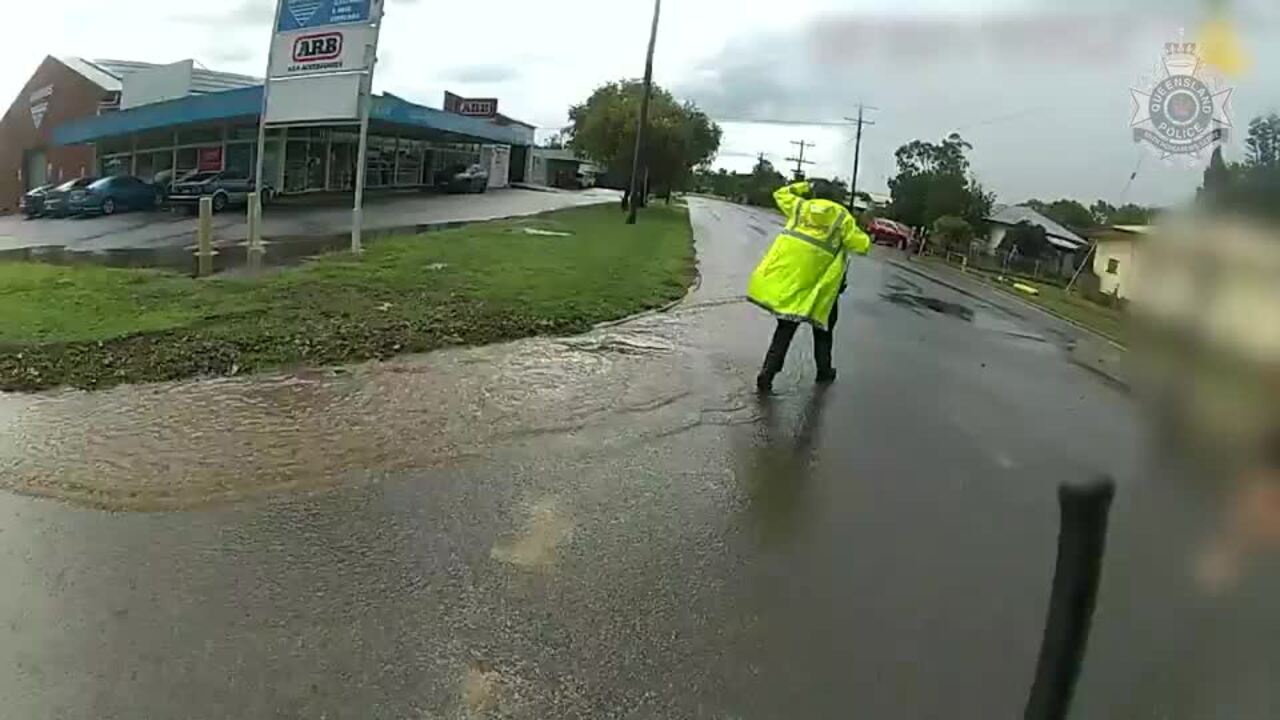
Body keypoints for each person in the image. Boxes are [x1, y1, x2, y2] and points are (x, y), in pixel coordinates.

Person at [747, 180, 871, 394]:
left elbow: (780, 193)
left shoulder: (800, 207)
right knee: (823, 329)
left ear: (814, 194)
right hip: (821, 287)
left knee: (784, 329)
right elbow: (862, 245)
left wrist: (805, 185)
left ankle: (768, 373)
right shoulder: (841, 216)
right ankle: (824, 370)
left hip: (794, 281)